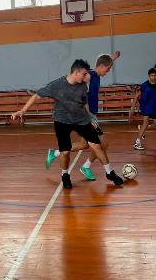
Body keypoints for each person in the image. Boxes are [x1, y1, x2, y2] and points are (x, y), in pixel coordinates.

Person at [12, 59, 124, 188]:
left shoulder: (83, 85)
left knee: (97, 145)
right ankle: (65, 175)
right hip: (62, 121)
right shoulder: (56, 85)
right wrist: (23, 110)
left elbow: (84, 103)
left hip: (81, 119)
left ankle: (110, 173)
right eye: (84, 74)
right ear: (76, 72)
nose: (86, 76)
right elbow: (37, 96)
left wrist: (91, 118)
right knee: (65, 152)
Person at [45, 51, 120, 181]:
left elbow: (103, 62)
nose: (107, 72)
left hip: (90, 114)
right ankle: (90, 167)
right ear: (101, 66)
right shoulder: (89, 76)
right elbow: (74, 81)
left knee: (84, 144)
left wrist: (112, 58)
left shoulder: (96, 73)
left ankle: (56, 153)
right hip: (86, 115)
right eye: (107, 69)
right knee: (103, 144)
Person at [129, 68, 156, 150]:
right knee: (146, 122)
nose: (153, 77)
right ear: (149, 76)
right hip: (145, 106)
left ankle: (141, 127)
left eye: (155, 75)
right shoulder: (144, 85)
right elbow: (137, 96)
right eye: (152, 75)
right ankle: (137, 143)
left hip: (154, 106)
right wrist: (133, 108)